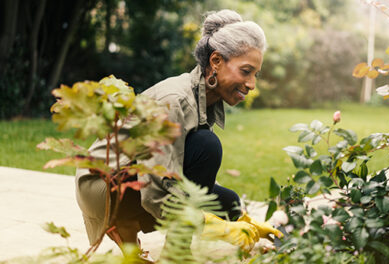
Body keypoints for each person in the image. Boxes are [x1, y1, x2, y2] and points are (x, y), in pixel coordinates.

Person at [75, 9, 282, 253]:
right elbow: (153, 189)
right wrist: (210, 225)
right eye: (246, 72)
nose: (251, 84)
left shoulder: (205, 99)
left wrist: (241, 220)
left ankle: (136, 227)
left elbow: (187, 173)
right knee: (208, 145)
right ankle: (157, 243)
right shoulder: (174, 100)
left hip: (131, 178)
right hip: (103, 185)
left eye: (255, 74)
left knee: (229, 203)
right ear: (215, 61)